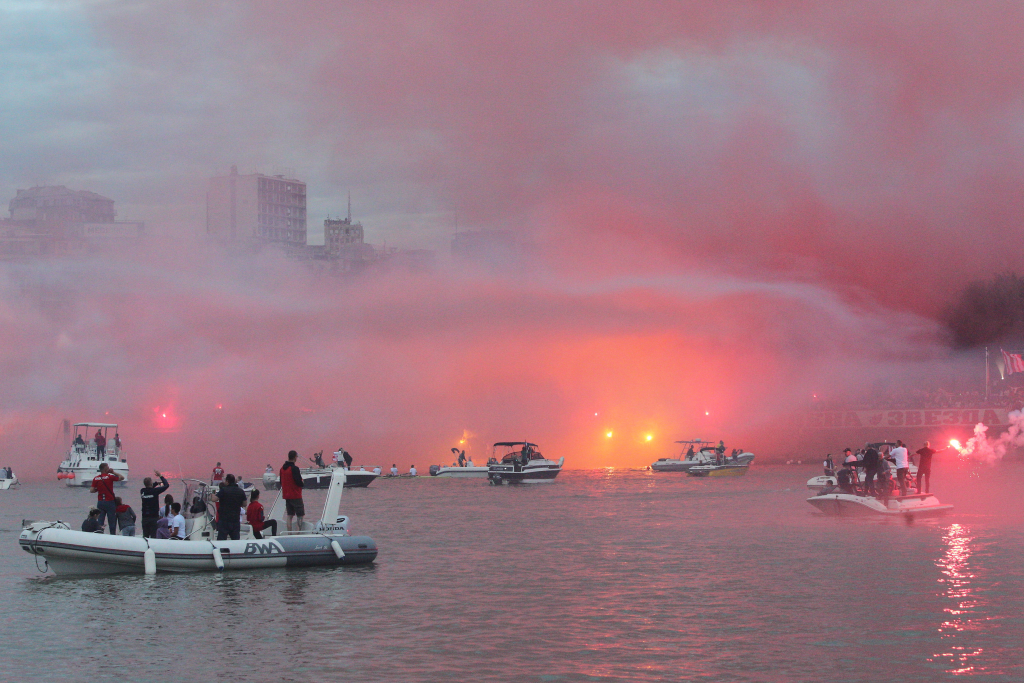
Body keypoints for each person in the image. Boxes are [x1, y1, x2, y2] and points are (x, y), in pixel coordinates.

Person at [211, 473, 247, 541]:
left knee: (221, 540)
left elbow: (214, 499)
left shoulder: (224, 490)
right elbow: (245, 504)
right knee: (235, 540)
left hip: (224, 520)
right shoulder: (240, 491)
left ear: (227, 481)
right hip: (235, 520)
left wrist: (212, 494)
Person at [90, 462, 124, 533]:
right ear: (106, 469)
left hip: (100, 502)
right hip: (110, 502)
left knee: (100, 521)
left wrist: (98, 489)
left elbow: (92, 490)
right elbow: (121, 477)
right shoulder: (109, 477)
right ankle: (112, 536)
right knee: (112, 521)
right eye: (108, 467)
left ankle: (99, 534)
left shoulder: (96, 478)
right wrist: (113, 472)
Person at [140, 470, 170, 538]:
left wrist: (156, 483)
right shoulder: (155, 491)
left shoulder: (142, 491)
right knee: (154, 536)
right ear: (151, 484)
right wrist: (160, 476)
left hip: (144, 518)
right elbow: (166, 485)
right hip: (153, 518)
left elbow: (149, 488)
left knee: (145, 536)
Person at [280, 450, 305, 532]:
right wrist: (302, 482)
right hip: (296, 495)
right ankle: (298, 532)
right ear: (295, 457)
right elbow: (298, 482)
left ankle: (289, 532)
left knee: (289, 515)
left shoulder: (282, 469)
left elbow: (281, 482)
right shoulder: (294, 468)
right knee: (300, 515)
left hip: (287, 495)